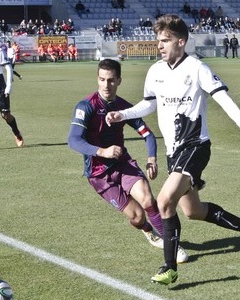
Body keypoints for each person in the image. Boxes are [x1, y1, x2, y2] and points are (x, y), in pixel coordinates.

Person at [105, 14, 240, 285]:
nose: (160, 45)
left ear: (181, 41)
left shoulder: (197, 68)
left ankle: (169, 268)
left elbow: (223, 98)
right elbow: (149, 104)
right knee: (192, 210)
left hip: (196, 146)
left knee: (164, 201)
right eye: (158, 41)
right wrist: (124, 114)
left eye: (165, 40)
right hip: (173, 151)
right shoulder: (155, 71)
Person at [67, 59, 188, 263]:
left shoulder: (124, 107)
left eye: (111, 80)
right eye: (102, 79)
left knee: (149, 200)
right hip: (99, 175)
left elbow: (148, 134)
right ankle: (149, 232)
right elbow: (73, 140)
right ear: (97, 79)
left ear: (119, 80)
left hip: (123, 165)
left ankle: (172, 245)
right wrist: (102, 151)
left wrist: (151, 159)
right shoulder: (86, 106)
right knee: (138, 217)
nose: (106, 85)